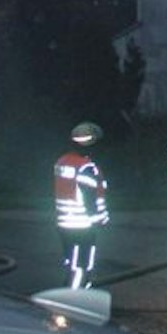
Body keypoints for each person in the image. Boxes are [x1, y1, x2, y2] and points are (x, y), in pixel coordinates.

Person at [53, 121, 109, 289]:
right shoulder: (86, 167)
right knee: (82, 265)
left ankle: (69, 289)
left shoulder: (62, 162)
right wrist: (100, 219)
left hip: (64, 223)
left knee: (71, 262)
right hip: (82, 224)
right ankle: (75, 296)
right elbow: (90, 199)